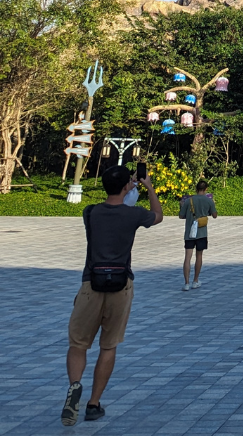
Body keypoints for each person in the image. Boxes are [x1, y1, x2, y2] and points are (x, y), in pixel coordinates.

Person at [62, 164, 162, 426]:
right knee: (108, 346)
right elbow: (158, 215)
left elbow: (112, 204)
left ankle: (75, 385)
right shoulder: (134, 215)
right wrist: (148, 187)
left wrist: (126, 187)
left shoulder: (90, 212)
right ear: (127, 186)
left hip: (90, 285)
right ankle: (94, 403)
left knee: (78, 344)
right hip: (121, 286)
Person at [179, 179, 217, 291]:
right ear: (206, 189)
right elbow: (214, 215)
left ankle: (186, 283)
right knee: (199, 256)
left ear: (196, 189)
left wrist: (182, 206)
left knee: (187, 257)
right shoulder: (208, 200)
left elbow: (181, 216)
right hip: (202, 233)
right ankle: (195, 281)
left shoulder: (188, 201)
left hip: (189, 233)